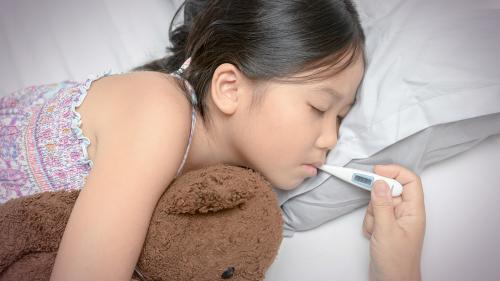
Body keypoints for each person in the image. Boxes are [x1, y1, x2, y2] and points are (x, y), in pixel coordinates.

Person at [0, 0, 425, 280]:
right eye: (317, 108)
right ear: (229, 88)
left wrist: (398, 268)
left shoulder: (227, 188)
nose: (330, 138)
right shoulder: (158, 108)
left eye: (341, 118)